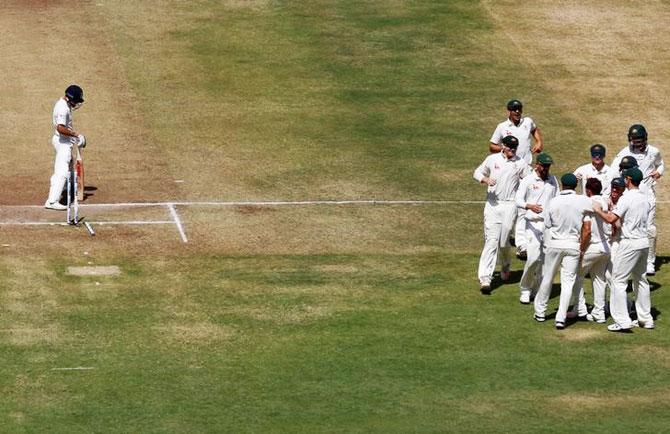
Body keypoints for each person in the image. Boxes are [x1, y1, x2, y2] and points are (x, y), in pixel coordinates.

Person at [592, 168, 654, 332]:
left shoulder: (627, 198)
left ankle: (622, 320)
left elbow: (612, 219)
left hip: (629, 243)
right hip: (643, 242)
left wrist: (597, 209)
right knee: (641, 280)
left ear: (628, 180)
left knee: (618, 281)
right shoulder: (645, 199)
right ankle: (646, 319)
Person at [533, 174, 593, 329]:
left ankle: (540, 312)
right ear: (576, 185)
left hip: (555, 243)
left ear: (562, 184)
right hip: (573, 245)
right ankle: (560, 318)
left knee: (548, 277)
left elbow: (547, 224)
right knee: (568, 283)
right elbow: (596, 206)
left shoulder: (553, 202)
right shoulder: (582, 200)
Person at [473, 135, 529, 294]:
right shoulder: (492, 159)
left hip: (510, 205)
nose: (512, 150)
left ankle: (505, 264)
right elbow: (477, 172)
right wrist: (485, 179)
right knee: (491, 241)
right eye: (510, 147)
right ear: (503, 146)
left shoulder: (520, 163)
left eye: (515, 148)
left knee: (504, 242)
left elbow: (528, 181)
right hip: (492, 204)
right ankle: (485, 279)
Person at [489, 99, 544, 260]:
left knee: (523, 207)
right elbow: (492, 146)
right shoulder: (502, 127)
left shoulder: (528, 122)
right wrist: (507, 148)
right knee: (513, 205)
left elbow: (534, 130)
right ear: (509, 111)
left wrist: (539, 141)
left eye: (519, 109)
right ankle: (510, 233)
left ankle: (521, 244)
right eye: (514, 110)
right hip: (510, 170)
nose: (517, 112)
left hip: (525, 168)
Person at [610, 124, 663, 275]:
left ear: (645, 139)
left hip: (647, 195)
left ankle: (650, 262)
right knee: (626, 228)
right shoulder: (624, 153)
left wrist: (658, 172)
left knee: (650, 228)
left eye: (639, 140)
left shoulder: (653, 152)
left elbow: (660, 164)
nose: (637, 143)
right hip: (628, 195)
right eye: (634, 140)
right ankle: (624, 258)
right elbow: (614, 172)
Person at [515, 153, 558, 304]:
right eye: (544, 166)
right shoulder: (528, 180)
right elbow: (518, 200)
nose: (546, 168)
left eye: (548, 166)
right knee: (533, 258)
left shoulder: (553, 180)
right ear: (537, 165)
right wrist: (530, 206)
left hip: (547, 226)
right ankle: (525, 289)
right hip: (532, 224)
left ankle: (537, 290)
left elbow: (557, 200)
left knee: (545, 261)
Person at [569, 178, 611, 322]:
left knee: (575, 275)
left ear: (588, 190)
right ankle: (599, 314)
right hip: (605, 248)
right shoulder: (605, 201)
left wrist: (581, 249)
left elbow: (587, 230)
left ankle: (579, 309)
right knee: (599, 279)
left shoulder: (588, 203)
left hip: (592, 247)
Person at [45, 85, 86, 210]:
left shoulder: (64, 105)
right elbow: (60, 128)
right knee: (62, 172)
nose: (77, 103)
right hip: (63, 143)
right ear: (70, 98)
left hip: (64, 141)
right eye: (76, 100)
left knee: (68, 167)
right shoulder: (63, 108)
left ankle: (65, 188)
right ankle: (52, 201)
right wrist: (76, 135)